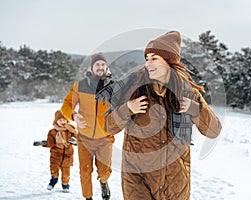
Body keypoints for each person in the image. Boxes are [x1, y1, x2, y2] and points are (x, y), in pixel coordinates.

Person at [100, 31, 222, 199]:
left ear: (168, 62)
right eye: (147, 58)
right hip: (138, 181)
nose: (148, 63)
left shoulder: (187, 93)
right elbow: (108, 127)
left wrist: (195, 110)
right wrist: (127, 108)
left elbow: (213, 131)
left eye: (154, 58)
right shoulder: (133, 88)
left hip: (176, 181)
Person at [61, 52, 114, 200]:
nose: (100, 67)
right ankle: (88, 197)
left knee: (104, 171)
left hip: (105, 138)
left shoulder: (113, 87)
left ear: (106, 67)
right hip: (84, 138)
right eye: (97, 64)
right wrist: (73, 115)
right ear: (92, 67)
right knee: (85, 171)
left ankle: (104, 182)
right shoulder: (80, 86)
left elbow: (122, 107)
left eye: (103, 64)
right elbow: (66, 105)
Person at [42, 110, 77, 193]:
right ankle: (53, 181)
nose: (63, 122)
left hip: (67, 156)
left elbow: (78, 140)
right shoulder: (52, 132)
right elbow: (50, 143)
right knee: (54, 170)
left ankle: (65, 185)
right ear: (56, 121)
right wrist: (43, 143)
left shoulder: (71, 131)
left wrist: (75, 141)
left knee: (66, 174)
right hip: (55, 155)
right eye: (60, 120)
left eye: (64, 120)